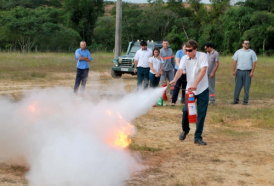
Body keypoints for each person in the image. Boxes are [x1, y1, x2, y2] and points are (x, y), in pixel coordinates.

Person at [170, 40, 209, 145]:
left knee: (201, 114)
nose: (187, 52)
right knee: (186, 111)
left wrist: (195, 84)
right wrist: (174, 79)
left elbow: (203, 70)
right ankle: (185, 130)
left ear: (195, 49)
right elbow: (180, 70)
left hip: (202, 89)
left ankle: (198, 137)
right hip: (190, 90)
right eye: (186, 50)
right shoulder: (184, 58)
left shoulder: (202, 56)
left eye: (190, 50)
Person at [231, 40, 257, 105]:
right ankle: (235, 100)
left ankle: (245, 101)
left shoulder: (252, 52)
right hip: (239, 71)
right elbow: (235, 61)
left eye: (248, 43)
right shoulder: (238, 52)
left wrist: (252, 72)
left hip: (248, 72)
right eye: (246, 43)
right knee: (237, 86)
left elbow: (254, 62)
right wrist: (233, 70)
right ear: (243, 44)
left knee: (247, 87)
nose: (247, 44)